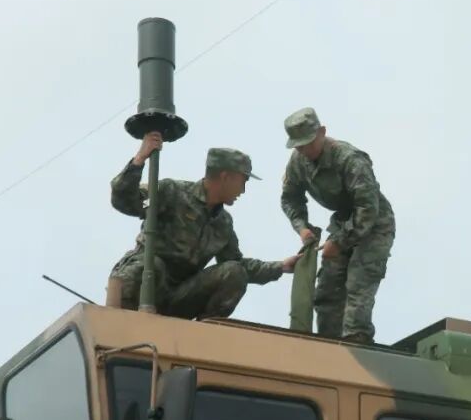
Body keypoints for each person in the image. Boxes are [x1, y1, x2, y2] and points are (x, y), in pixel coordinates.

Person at [106, 131, 301, 320]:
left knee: (234, 272)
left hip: (178, 297)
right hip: (141, 290)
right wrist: (140, 159)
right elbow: (125, 200)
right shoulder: (172, 192)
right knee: (153, 266)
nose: (243, 190)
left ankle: (205, 331)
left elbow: (238, 265)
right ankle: (124, 322)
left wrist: (281, 267)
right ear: (226, 177)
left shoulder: (223, 222)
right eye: (243, 181)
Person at [280, 107, 395, 344]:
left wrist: (340, 243)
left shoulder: (350, 159)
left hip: (374, 224)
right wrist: (302, 227)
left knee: (358, 287)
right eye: (298, 146)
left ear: (322, 132)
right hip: (343, 222)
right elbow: (290, 197)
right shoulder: (299, 161)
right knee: (327, 292)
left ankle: (357, 344)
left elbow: (367, 209)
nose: (304, 150)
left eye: (308, 143)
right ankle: (328, 350)